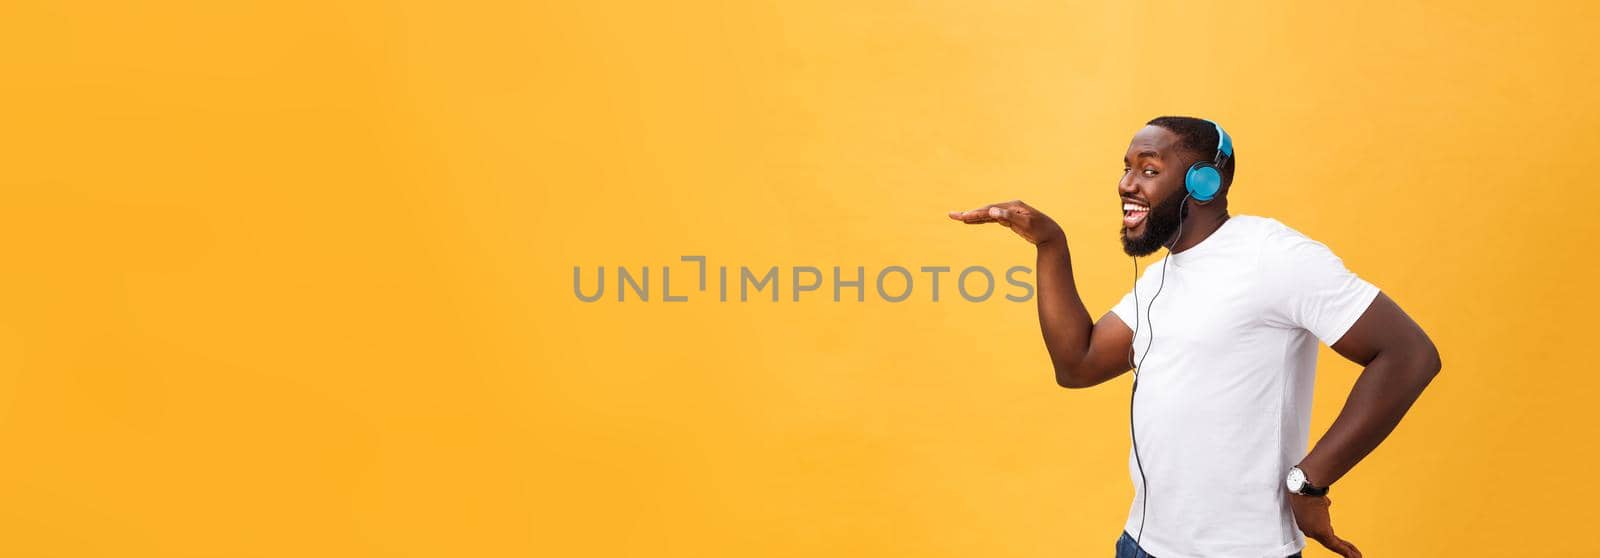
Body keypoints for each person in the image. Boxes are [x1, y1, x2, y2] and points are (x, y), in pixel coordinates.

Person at [947, 116, 1441, 558]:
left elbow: (1409, 354)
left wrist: (1309, 483)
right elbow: (1078, 364)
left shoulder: (1273, 254)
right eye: (1125, 169)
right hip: (1141, 545)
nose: (1125, 184)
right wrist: (1051, 244)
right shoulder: (1162, 278)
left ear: (1203, 182)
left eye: (1148, 169)